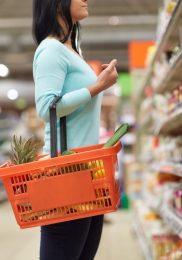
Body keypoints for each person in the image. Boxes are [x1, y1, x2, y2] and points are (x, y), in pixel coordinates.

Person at [32, 0, 118, 259]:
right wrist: (97, 87)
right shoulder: (50, 49)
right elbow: (47, 108)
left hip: (87, 174)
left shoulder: (71, 50)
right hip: (66, 178)